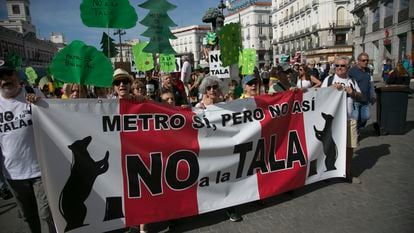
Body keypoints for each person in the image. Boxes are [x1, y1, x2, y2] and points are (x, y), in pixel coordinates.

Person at [0, 60, 57, 233]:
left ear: (17, 75)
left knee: (46, 214)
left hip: (39, 170)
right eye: (0, 77)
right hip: (12, 173)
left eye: (8, 74)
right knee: (28, 215)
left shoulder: (33, 93)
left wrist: (42, 104)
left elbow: (55, 120)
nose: (5, 80)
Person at [195, 76, 242, 222]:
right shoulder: (198, 106)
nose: (212, 90)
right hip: (206, 149)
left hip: (224, 147)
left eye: (215, 87)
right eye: (209, 88)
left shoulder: (226, 105)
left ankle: (230, 208)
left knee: (226, 177)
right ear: (205, 90)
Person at [321, 56, 362, 184]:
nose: (339, 68)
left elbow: (360, 96)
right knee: (331, 148)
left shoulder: (352, 81)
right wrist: (330, 89)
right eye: (336, 66)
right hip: (334, 122)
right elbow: (319, 96)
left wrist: (352, 92)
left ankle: (348, 173)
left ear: (348, 67)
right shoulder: (329, 80)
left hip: (349, 119)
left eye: (342, 66)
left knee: (349, 148)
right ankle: (329, 173)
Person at [348, 52, 376, 130]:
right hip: (355, 99)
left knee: (366, 116)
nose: (366, 62)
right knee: (355, 118)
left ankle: (359, 128)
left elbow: (371, 84)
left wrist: (372, 96)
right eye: (363, 60)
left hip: (366, 99)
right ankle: (354, 133)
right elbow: (347, 82)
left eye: (367, 60)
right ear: (358, 61)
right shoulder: (352, 71)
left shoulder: (368, 70)